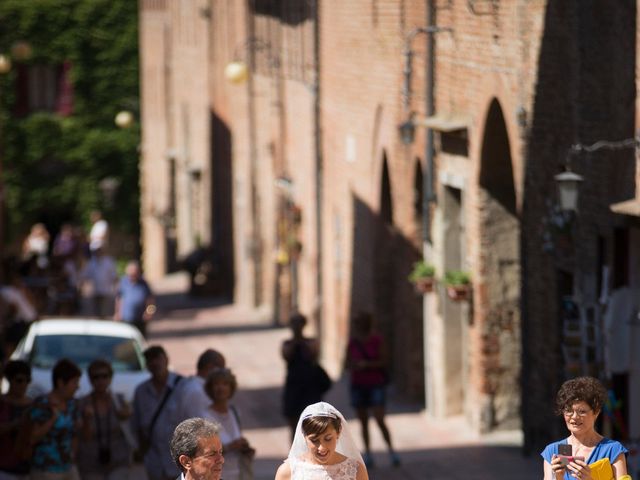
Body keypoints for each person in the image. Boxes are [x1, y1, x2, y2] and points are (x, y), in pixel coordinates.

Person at [541, 376, 629, 480]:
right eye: (569, 411)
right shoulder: (552, 451)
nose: (574, 417)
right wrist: (558, 477)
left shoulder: (613, 450)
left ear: (596, 412)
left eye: (582, 411)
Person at [344, 312, 399, 468]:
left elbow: (384, 361)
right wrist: (355, 365)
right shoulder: (352, 342)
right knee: (363, 422)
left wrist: (367, 365)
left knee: (379, 418)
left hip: (375, 384)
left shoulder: (376, 340)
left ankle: (391, 450)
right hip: (358, 385)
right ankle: (368, 453)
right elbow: (347, 363)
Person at [274, 401, 369, 480]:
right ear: (304, 436)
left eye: (328, 439)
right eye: (314, 440)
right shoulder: (287, 472)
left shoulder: (356, 471)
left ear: (338, 432)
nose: (322, 448)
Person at [131, 345, 184, 480]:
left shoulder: (183, 386)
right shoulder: (141, 391)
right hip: (154, 463)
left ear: (166, 359)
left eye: (157, 358)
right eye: (150, 360)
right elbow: (136, 424)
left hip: (179, 463)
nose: (154, 363)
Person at [77, 359, 134, 480]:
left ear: (110, 378)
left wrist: (127, 414)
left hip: (119, 461)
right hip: (90, 463)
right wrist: (87, 420)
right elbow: (84, 437)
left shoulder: (119, 401)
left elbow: (133, 426)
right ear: (90, 380)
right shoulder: (83, 404)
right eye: (96, 377)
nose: (100, 381)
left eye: (104, 376)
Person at [29, 358, 82, 480]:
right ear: (60, 383)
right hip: (45, 469)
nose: (77, 387)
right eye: (74, 382)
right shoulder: (42, 404)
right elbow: (32, 437)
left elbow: (75, 434)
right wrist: (53, 419)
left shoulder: (72, 405)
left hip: (68, 467)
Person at [200, 368, 254, 480]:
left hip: (238, 474)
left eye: (225, 384)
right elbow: (205, 451)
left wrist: (245, 448)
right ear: (210, 388)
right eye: (216, 384)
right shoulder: (205, 417)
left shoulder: (234, 412)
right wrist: (232, 446)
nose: (220, 388)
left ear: (231, 388)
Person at [281, 313, 329, 440]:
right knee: (294, 425)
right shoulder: (287, 344)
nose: (296, 327)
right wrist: (296, 342)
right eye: (294, 323)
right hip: (294, 386)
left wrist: (301, 342)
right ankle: (296, 455)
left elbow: (313, 355)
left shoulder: (311, 342)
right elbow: (287, 356)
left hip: (310, 387)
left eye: (299, 323)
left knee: (313, 423)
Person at [0, 360, 33, 479]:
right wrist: (16, 423)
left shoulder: (33, 405)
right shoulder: (2, 403)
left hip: (27, 469)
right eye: (19, 380)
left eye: (27, 380)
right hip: (4, 468)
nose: (23, 384)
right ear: (9, 380)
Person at [177, 349, 226, 420]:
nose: (222, 375)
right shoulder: (198, 391)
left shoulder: (192, 385)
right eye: (221, 370)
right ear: (210, 367)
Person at [114, 261, 155, 336]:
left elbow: (151, 300)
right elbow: (118, 299)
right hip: (126, 318)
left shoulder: (144, 284)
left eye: (134, 274)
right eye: (130, 275)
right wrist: (117, 313)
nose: (132, 276)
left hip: (140, 319)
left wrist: (149, 313)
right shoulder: (123, 282)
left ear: (138, 273)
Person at [79, 246, 118, 318]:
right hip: (95, 291)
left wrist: (115, 290)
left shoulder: (108, 262)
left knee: (105, 312)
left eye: (99, 250)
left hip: (106, 291)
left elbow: (114, 276)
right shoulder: (91, 262)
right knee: (96, 313)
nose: (98, 252)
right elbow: (85, 275)